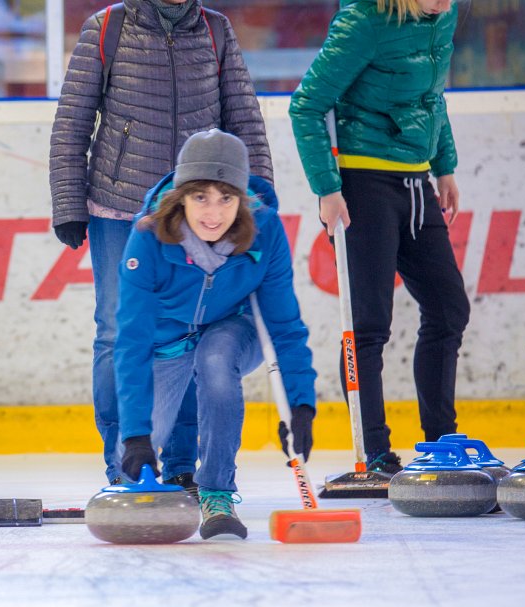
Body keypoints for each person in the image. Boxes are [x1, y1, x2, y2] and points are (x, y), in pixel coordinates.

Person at [49, 0, 274, 488]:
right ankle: (125, 465)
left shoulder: (215, 30)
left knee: (193, 331)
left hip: (199, 213)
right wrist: (68, 201)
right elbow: (72, 123)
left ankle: (179, 466)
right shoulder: (107, 28)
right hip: (121, 208)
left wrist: (258, 205)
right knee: (117, 331)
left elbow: (245, 123)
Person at [288, 0, 470, 475]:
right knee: (368, 324)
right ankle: (374, 453)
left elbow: (432, 96)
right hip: (362, 183)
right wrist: (328, 189)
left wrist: (444, 165)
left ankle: (441, 444)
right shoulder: (365, 19)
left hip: (416, 180)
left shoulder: (442, 15)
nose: (443, 2)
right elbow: (306, 104)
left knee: (448, 308)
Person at [115, 129, 317, 539]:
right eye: (200, 197)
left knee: (216, 360)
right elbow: (132, 340)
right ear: (181, 197)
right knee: (135, 454)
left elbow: (284, 326)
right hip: (167, 339)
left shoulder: (264, 230)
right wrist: (136, 436)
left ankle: (216, 492)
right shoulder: (148, 238)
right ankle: (134, 474)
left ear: (241, 198)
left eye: (226, 198)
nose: (214, 213)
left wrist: (301, 405)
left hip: (233, 328)